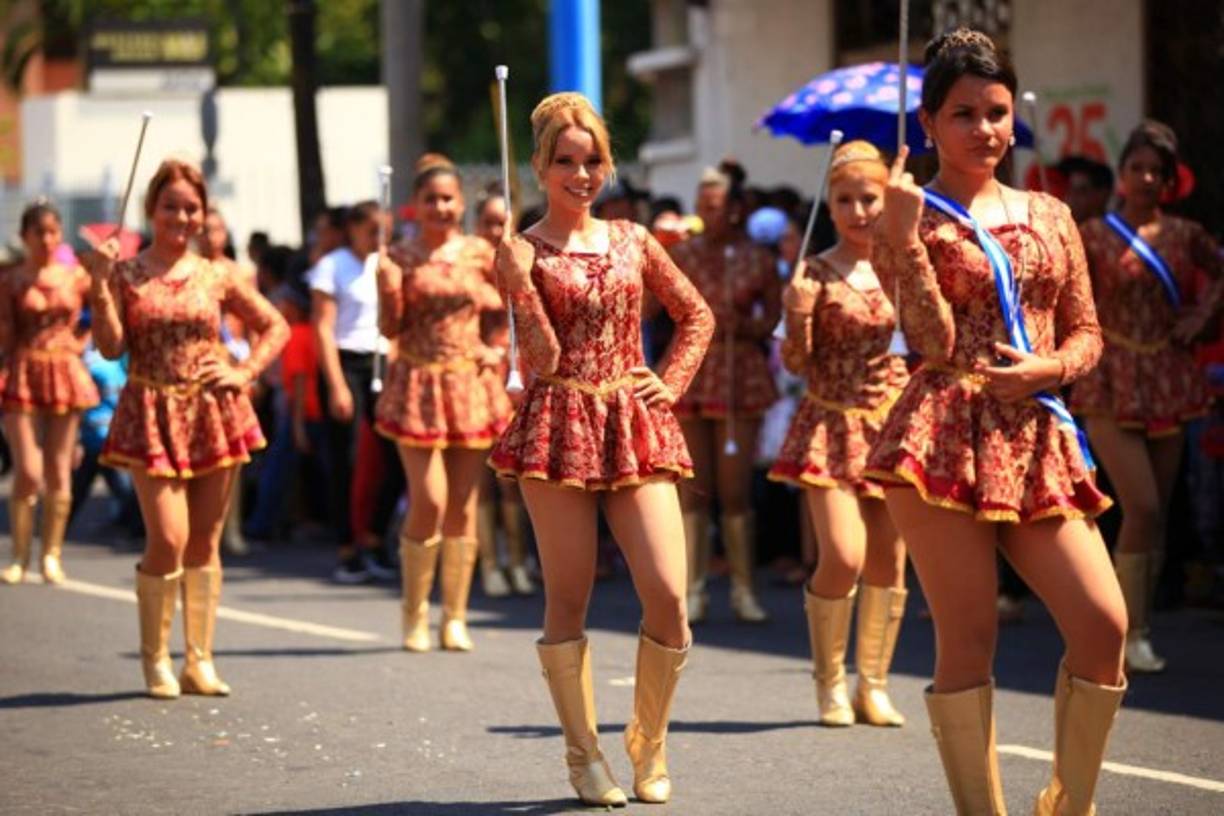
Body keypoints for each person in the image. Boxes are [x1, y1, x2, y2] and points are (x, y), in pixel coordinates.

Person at [867, 29, 1127, 814]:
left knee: (1104, 626)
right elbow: (933, 341)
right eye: (963, 114)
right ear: (928, 124)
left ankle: (1066, 807)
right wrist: (904, 238)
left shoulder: (1051, 212)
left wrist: (1050, 370)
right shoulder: (906, 217)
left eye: (996, 112)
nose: (984, 129)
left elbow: (1087, 332)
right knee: (970, 639)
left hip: (1037, 433)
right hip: (943, 433)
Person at [489, 92, 713, 807]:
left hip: (632, 420)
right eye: (565, 161)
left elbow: (696, 315)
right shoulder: (522, 250)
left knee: (669, 595)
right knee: (569, 595)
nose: (581, 175)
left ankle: (649, 740)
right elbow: (544, 358)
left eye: (593, 161)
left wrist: (669, 382)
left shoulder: (633, 239)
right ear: (540, 167)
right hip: (558, 422)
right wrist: (517, 285)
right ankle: (583, 755)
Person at [85, 158, 288, 699]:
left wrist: (243, 371)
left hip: (213, 412)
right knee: (168, 538)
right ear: (151, 209)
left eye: (191, 207)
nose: (181, 217)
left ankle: (199, 659)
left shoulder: (217, 273)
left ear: (203, 214)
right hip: (150, 409)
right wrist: (99, 286)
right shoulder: (126, 273)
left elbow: (275, 325)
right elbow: (110, 346)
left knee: (203, 541)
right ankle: (156, 659)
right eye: (170, 206)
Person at [1070, 121, 1224, 673]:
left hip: (1166, 373)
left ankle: (1137, 629)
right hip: (1110, 375)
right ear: (1122, 174)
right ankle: (1120, 632)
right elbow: (1062, 288)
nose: (1147, 179)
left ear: (1170, 179)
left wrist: (1201, 318)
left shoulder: (1184, 234)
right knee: (1142, 506)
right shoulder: (1093, 234)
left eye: (1157, 171)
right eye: (1137, 168)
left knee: (1154, 518)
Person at [768, 140, 911, 727]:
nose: (859, 211)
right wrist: (797, 313)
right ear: (829, 205)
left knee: (890, 562)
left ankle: (872, 684)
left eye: (869, 198)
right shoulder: (815, 274)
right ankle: (829, 681)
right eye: (845, 200)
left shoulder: (905, 268)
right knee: (844, 555)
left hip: (892, 428)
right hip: (829, 425)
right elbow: (795, 365)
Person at [375, 154, 513, 652]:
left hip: (469, 385)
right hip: (417, 383)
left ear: (461, 203)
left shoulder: (480, 252)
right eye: (431, 199)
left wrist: (496, 350)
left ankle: (454, 616)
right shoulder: (398, 256)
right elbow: (389, 327)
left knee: (462, 504)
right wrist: (388, 290)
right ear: (415, 204)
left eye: (448, 199)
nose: (440, 207)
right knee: (428, 499)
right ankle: (414, 614)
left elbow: (510, 310)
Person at [668, 168, 781, 623]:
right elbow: (652, 307)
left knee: (735, 491)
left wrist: (747, 326)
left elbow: (774, 319)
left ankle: (743, 589)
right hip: (693, 370)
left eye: (713, 207)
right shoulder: (682, 254)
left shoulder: (757, 258)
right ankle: (692, 590)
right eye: (701, 206)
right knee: (693, 488)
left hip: (739, 371)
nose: (706, 215)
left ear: (734, 210)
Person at [1, 201, 99, 585]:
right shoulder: (11, 279)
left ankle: (52, 554)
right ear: (25, 236)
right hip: (23, 370)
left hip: (64, 370)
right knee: (28, 470)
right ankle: (19, 555)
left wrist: (81, 342)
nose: (46, 239)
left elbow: (104, 310)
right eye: (38, 232)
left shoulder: (76, 277)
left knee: (59, 467)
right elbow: (5, 333)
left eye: (53, 232)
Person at [310, 201, 402, 583]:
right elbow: (322, 327)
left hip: (380, 362)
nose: (379, 237)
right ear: (353, 229)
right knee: (344, 460)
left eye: (385, 230)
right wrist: (336, 385)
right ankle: (347, 547)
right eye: (372, 229)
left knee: (396, 456)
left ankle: (376, 536)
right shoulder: (332, 265)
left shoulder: (388, 264)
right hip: (345, 361)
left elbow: (397, 322)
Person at [472, 185, 535, 598]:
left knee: (512, 478)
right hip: (478, 379)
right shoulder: (466, 266)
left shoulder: (522, 260)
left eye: (502, 223)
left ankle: (517, 561)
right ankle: (490, 564)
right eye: (488, 223)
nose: (496, 231)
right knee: (482, 477)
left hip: (518, 376)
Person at [1055, 155, 1114, 225]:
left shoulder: (1116, 228)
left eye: (1081, 191)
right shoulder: (1058, 226)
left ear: (1102, 195)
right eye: (1067, 190)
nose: (1071, 198)